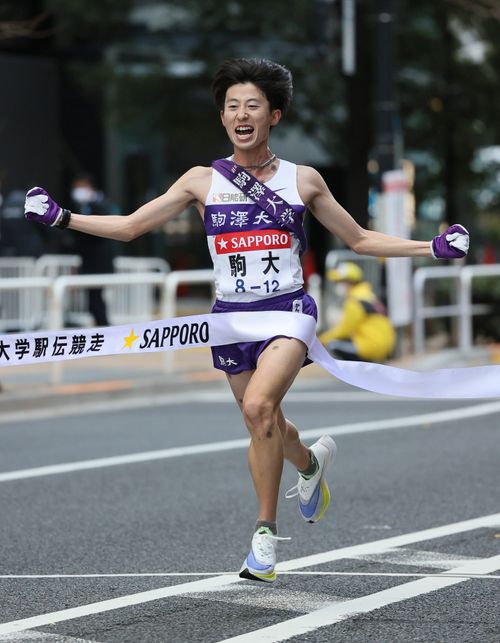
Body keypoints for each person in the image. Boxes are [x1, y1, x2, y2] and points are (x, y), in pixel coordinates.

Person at [23, 58, 469, 583]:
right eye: (232, 106)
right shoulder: (201, 181)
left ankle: (263, 537)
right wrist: (64, 218)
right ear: (223, 117)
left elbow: (360, 239)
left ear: (274, 115)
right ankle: (309, 464)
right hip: (230, 319)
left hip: (288, 312)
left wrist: (432, 248)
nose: (241, 113)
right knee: (267, 424)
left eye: (252, 106)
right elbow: (130, 227)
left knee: (259, 406)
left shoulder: (302, 181)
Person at [319, 261, 396, 362]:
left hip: (371, 347)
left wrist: (321, 340)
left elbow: (343, 330)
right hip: (384, 346)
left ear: (350, 282)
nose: (337, 286)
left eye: (340, 282)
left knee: (333, 344)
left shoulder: (354, 301)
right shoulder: (367, 295)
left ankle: (354, 374)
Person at [69, 173, 118, 326]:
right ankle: (103, 330)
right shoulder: (81, 206)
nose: (78, 191)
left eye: (81, 187)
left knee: (96, 301)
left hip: (100, 262)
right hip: (87, 261)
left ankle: (106, 331)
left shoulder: (102, 204)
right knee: (93, 302)